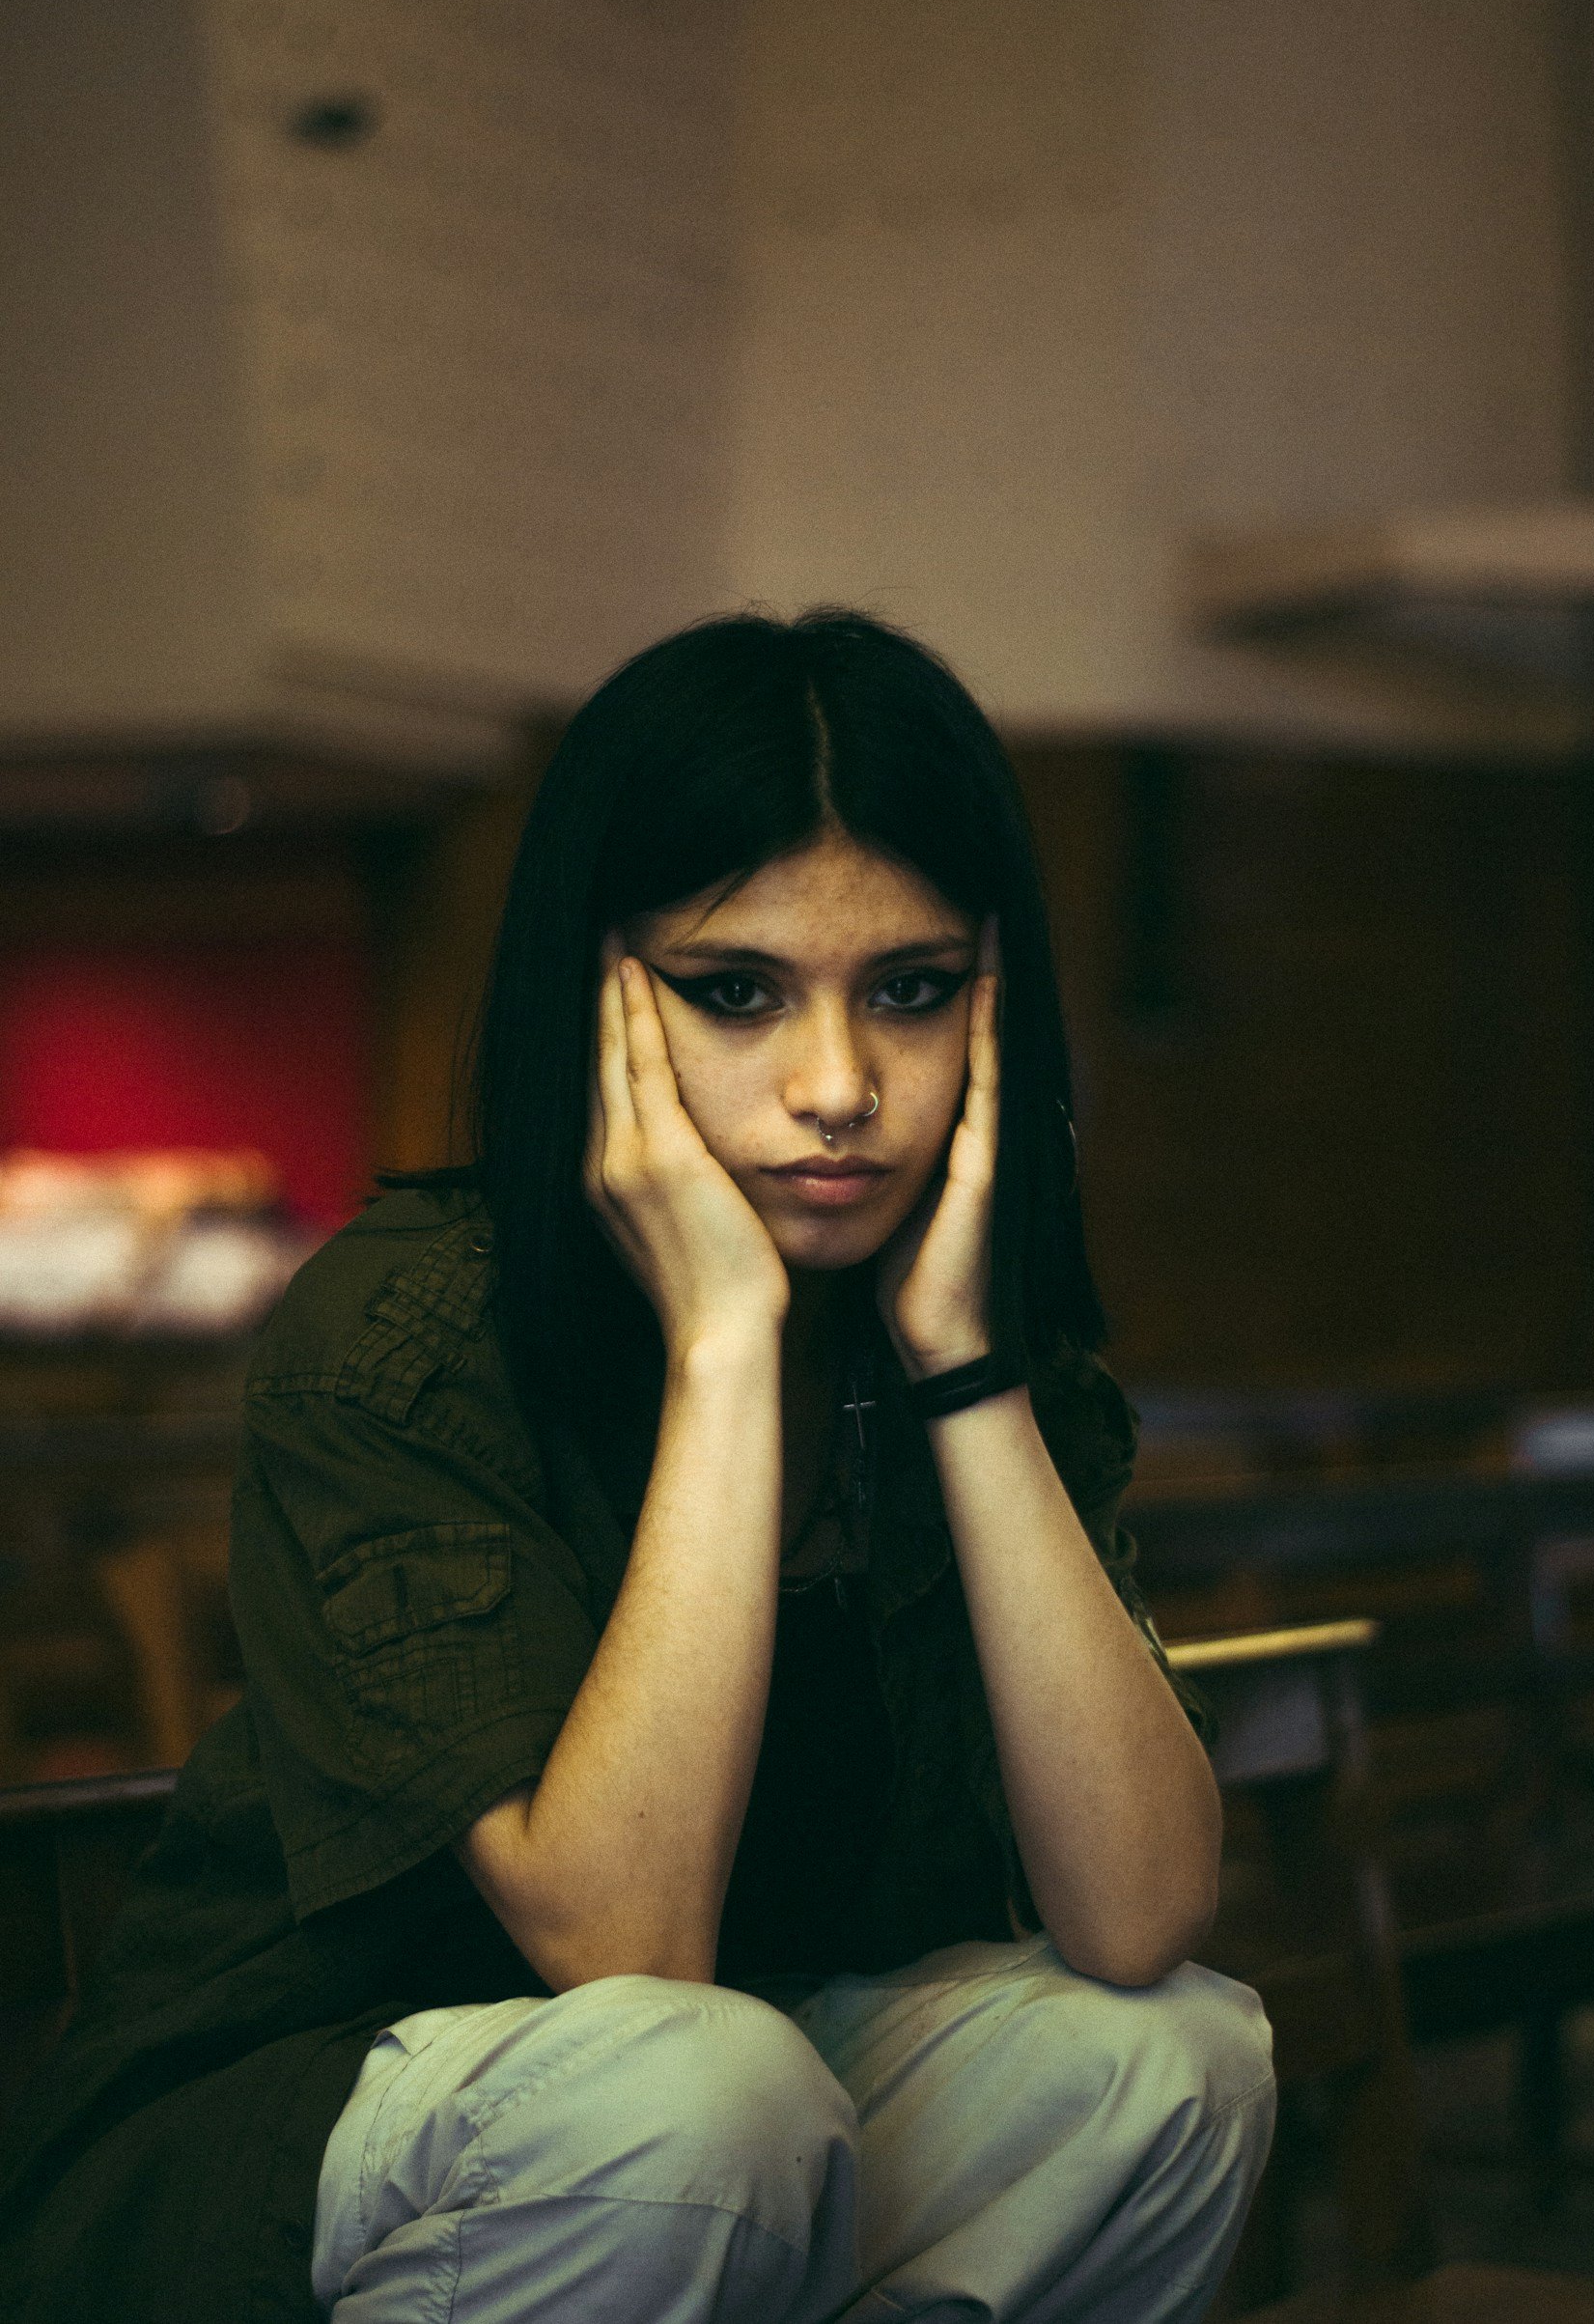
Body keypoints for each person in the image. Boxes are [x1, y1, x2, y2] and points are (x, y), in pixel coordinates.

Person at [0, 607, 1274, 2323]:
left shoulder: (966, 1330)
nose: (839, 1089)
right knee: (692, 2090)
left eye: (911, 990)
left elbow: (1139, 1915)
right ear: (594, 992)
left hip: (729, 2128)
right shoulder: (411, 1329)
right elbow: (623, 1948)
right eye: (735, 992)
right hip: (319, 2140)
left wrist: (968, 1371)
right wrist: (726, 1348)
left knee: (1172, 2059)